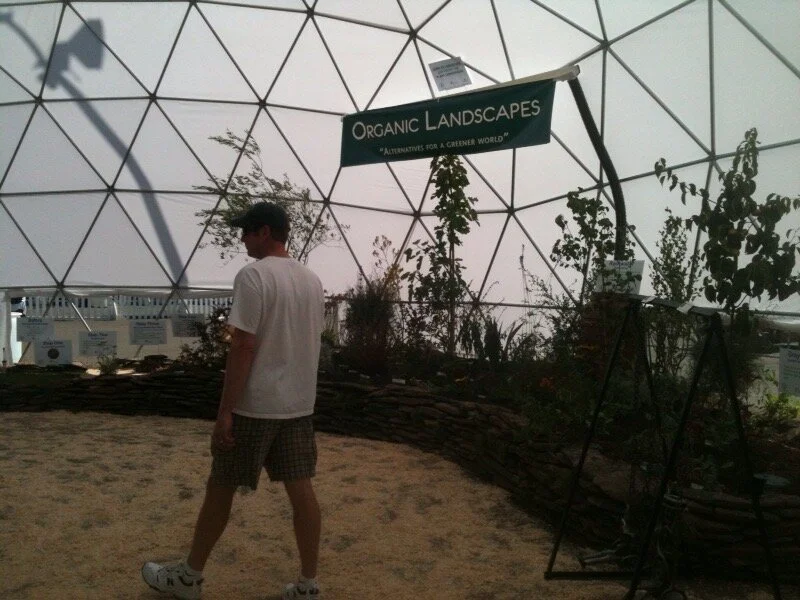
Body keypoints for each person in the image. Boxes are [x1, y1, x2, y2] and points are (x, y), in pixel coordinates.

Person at [141, 202, 325, 599]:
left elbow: (243, 346)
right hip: (298, 406)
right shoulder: (312, 280)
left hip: (255, 406)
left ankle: (189, 578)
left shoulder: (254, 276)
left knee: (220, 487)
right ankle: (308, 585)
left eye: (246, 231)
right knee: (302, 490)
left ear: (264, 232)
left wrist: (225, 413)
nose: (241, 238)